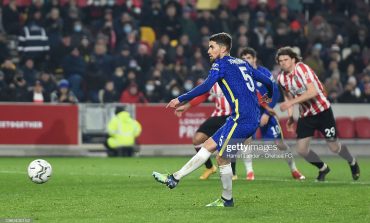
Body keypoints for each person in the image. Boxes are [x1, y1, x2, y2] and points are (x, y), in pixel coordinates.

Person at [152, 32, 274, 207]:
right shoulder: (242, 63)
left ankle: (227, 200)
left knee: (222, 159)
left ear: (223, 49)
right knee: (208, 145)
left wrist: (180, 99)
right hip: (245, 116)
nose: (208, 50)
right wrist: (268, 95)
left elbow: (206, 86)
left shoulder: (221, 64)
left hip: (242, 118)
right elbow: (268, 81)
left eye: (212, 47)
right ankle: (174, 178)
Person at [276, 46, 360, 181]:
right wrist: (291, 116)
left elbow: (313, 92)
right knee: (301, 149)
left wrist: (291, 104)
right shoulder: (281, 78)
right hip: (306, 115)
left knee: (334, 147)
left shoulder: (302, 69)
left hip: (322, 111)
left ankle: (352, 161)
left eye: (286, 59)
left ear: (293, 59)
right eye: (280, 61)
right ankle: (323, 168)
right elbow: (288, 97)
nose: (283, 63)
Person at [237, 47, 305, 181]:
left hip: (267, 112)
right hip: (251, 113)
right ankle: (250, 172)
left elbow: (275, 93)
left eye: (248, 58)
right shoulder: (241, 75)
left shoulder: (264, 73)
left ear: (254, 59)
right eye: (243, 59)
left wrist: (267, 113)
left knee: (280, 143)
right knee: (246, 140)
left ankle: (294, 169)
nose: (246, 60)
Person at [174, 83, 231, 180]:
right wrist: (186, 106)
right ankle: (210, 168)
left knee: (227, 144)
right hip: (217, 115)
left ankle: (233, 172)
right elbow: (204, 95)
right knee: (197, 139)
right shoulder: (214, 80)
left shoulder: (235, 77)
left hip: (233, 116)